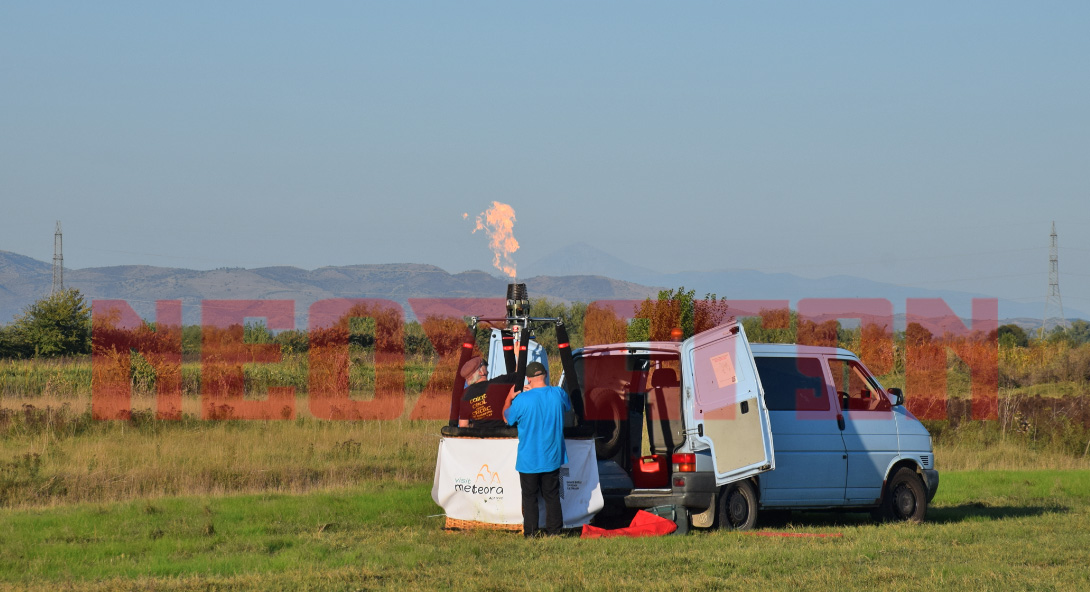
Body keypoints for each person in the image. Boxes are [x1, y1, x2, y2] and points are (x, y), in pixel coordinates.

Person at [502, 361, 572, 537]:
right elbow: (568, 406)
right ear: (546, 375)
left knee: (530, 498)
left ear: (528, 379)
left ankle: (531, 534)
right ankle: (555, 533)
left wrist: (509, 397)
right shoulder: (558, 393)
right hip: (553, 456)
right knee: (552, 496)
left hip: (528, 459)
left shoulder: (522, 400)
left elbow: (506, 418)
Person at [457, 356, 519, 428]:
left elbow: (463, 425)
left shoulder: (465, 394)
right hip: (502, 434)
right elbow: (519, 374)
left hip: (481, 436)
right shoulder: (499, 383)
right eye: (484, 365)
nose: (487, 367)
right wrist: (518, 355)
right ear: (481, 372)